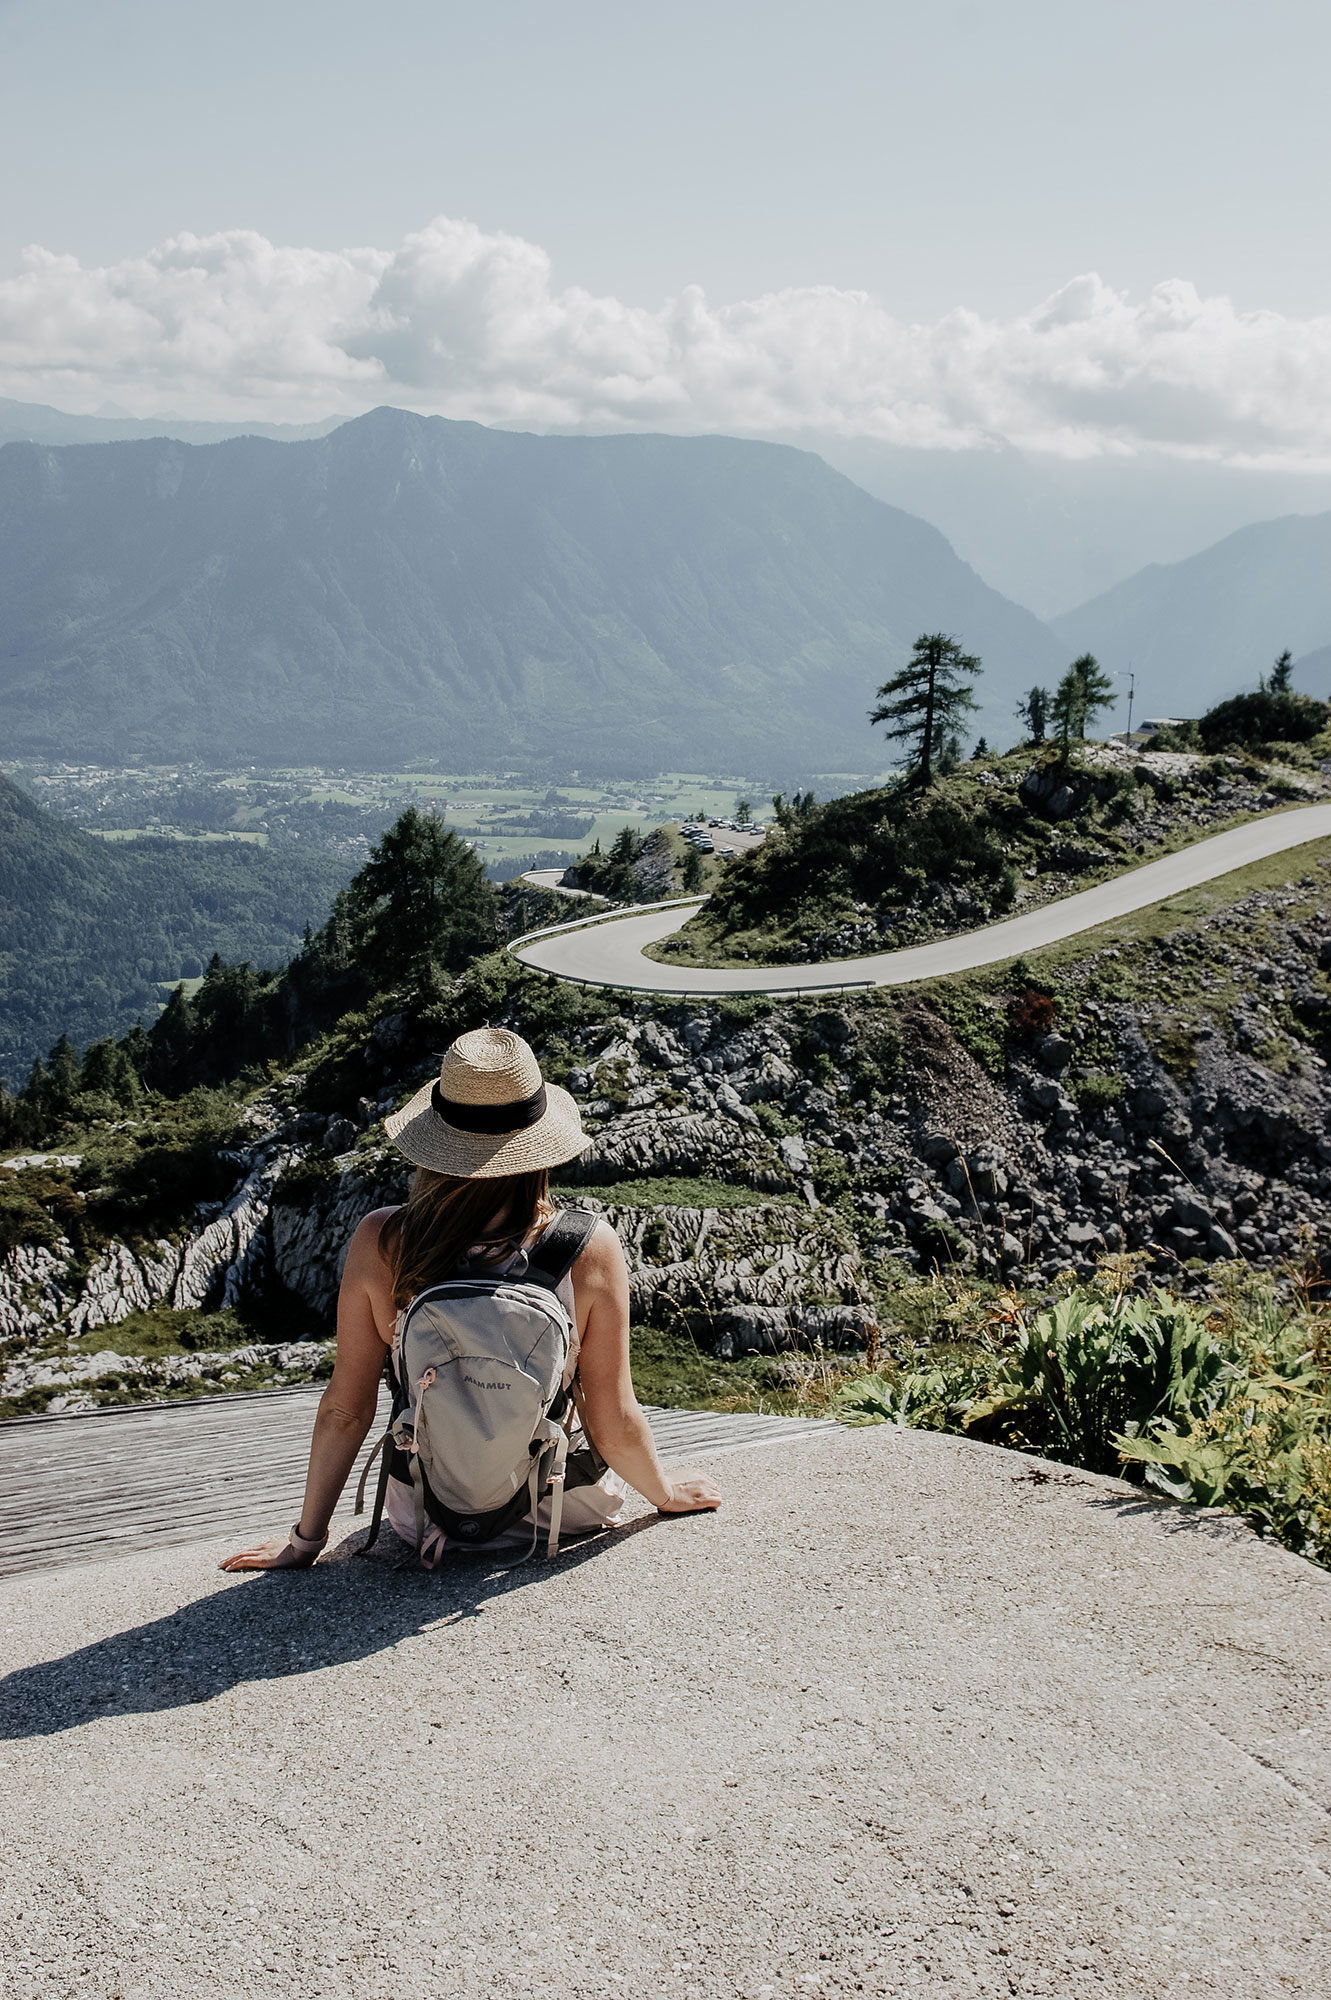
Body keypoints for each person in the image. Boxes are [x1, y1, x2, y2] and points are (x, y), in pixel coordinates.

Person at [222, 1027, 720, 1571]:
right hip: (562, 1506)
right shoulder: (587, 1246)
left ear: (434, 1145)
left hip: (424, 1515)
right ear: (539, 1147)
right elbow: (614, 1419)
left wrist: (305, 1541)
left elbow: (346, 1410)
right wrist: (665, 1494)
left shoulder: (382, 1241)